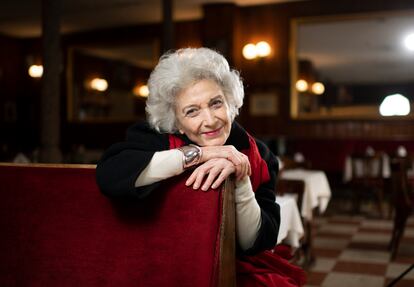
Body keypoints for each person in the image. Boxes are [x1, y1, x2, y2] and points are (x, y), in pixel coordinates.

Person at [96, 47, 305, 286]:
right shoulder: (154, 138)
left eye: (216, 103)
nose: (210, 120)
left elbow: (254, 242)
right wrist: (200, 154)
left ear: (231, 104)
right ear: (177, 122)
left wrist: (241, 179)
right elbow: (109, 174)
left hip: (233, 266)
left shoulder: (261, 156)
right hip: (160, 261)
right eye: (192, 111)